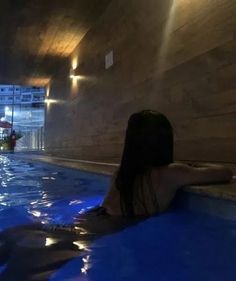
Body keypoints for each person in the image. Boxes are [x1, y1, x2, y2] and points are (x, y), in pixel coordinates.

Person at [102, 110, 233, 217]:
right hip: (119, 226)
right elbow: (226, 173)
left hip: (99, 216)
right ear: (164, 141)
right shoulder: (171, 173)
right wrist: (194, 165)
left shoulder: (120, 173)